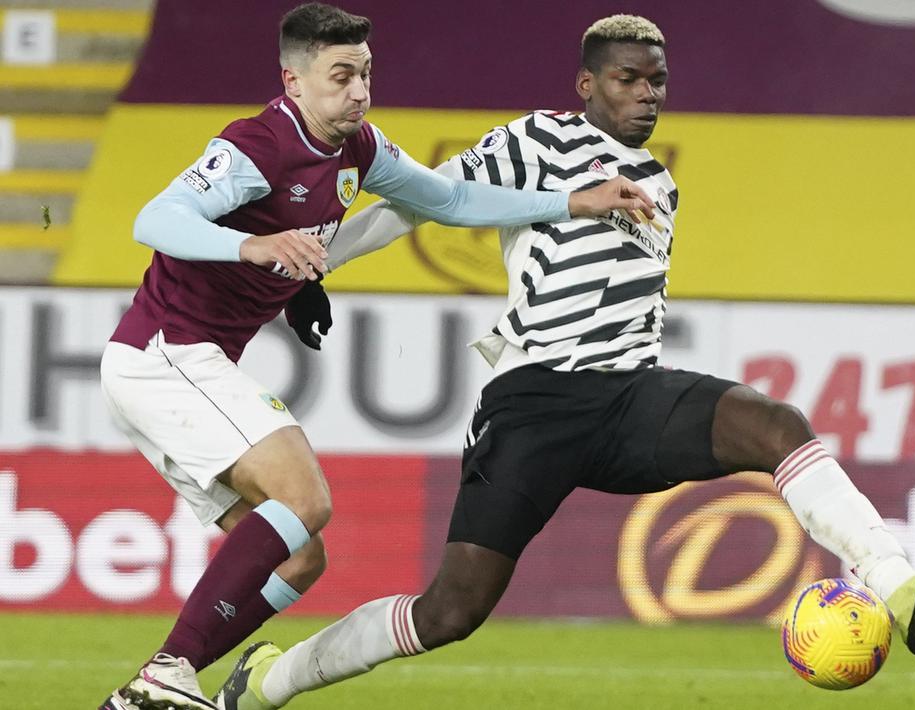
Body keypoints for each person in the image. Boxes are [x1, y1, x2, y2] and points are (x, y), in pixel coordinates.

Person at [214, 15, 915, 709]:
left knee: (776, 425)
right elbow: (421, 199)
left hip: (630, 398)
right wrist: (313, 265)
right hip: (533, 403)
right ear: (586, 85)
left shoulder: (660, 183)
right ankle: (268, 682)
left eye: (655, 80)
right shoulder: (538, 139)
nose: (646, 94)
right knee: (450, 612)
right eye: (627, 79)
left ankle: (904, 592)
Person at [98, 4, 656, 709]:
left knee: (301, 557)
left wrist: (572, 201)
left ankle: (148, 692)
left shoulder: (357, 148)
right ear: (293, 81)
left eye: (365, 73)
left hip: (186, 364)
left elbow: (450, 198)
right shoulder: (256, 146)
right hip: (165, 354)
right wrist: (253, 246)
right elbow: (155, 218)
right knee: (305, 499)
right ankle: (168, 672)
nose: (359, 92)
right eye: (341, 76)